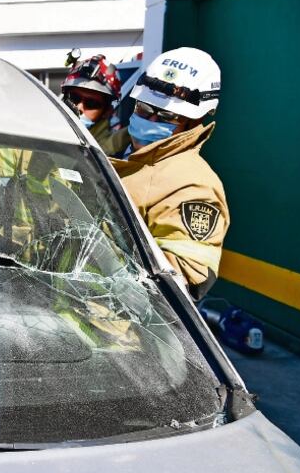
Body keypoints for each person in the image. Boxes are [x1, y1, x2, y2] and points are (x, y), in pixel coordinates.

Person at [110, 47, 228, 300]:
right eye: (143, 109)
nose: (149, 121)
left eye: (166, 116)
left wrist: (101, 253)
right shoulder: (110, 150)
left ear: (194, 122)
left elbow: (186, 279)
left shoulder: (192, 185)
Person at [61, 53, 123, 155]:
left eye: (91, 103)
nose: (79, 107)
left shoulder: (111, 153)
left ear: (107, 111)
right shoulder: (42, 131)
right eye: (74, 98)